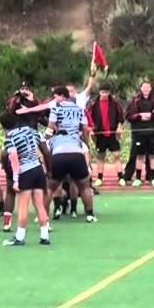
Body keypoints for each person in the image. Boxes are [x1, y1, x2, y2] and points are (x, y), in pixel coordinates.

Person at [45, 86, 97, 224]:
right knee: (84, 185)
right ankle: (90, 215)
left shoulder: (56, 108)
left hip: (59, 150)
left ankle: (43, 215)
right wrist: (84, 143)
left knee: (51, 186)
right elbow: (85, 129)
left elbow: (50, 126)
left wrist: (48, 140)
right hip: (76, 148)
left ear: (62, 96)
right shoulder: (80, 109)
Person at [0, 112, 52, 247]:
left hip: (25, 171)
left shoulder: (9, 138)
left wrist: (16, 180)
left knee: (23, 206)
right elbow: (44, 148)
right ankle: (45, 236)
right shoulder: (32, 131)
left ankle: (20, 237)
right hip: (38, 169)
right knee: (40, 205)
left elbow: (15, 160)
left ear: (4, 127)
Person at [87, 84, 126, 190]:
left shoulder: (114, 103)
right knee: (101, 156)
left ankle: (121, 177)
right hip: (100, 135)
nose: (104, 94)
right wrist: (91, 130)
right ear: (99, 92)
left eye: (106, 92)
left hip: (112, 134)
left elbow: (120, 118)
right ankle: (99, 178)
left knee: (116, 155)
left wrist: (119, 128)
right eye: (103, 92)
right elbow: (89, 118)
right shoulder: (94, 104)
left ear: (109, 93)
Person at [124, 81, 154, 187]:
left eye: (148, 87)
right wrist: (140, 116)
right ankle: (138, 178)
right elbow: (129, 116)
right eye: (144, 87)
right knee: (139, 155)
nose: (146, 89)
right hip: (139, 133)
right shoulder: (135, 101)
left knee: (152, 155)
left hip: (152, 132)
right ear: (141, 88)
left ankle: (153, 178)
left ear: (150, 89)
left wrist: (151, 115)